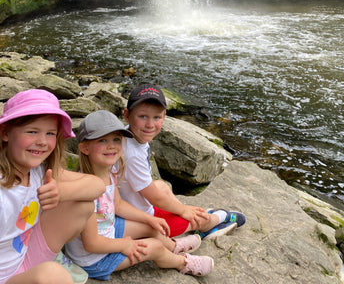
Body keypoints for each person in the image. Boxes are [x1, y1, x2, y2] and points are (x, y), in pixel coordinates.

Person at [65, 110, 214, 280]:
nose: (111, 145)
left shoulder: (109, 171)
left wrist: (148, 218)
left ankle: (173, 246)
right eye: (102, 140)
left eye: (116, 139)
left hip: (108, 230)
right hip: (94, 259)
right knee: (154, 247)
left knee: (150, 227)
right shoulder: (86, 192)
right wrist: (125, 244)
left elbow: (118, 205)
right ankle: (181, 262)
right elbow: (91, 243)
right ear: (84, 147)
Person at [0, 89, 105, 284]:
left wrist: (61, 192)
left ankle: (48, 261)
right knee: (53, 275)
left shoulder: (38, 171)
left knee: (82, 204)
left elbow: (97, 185)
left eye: (50, 133)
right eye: (32, 131)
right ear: (5, 133)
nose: (41, 142)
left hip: (23, 256)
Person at [118, 84, 246, 239]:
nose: (150, 124)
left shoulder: (130, 134)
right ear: (127, 115)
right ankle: (216, 219)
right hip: (136, 219)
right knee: (190, 219)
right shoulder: (131, 153)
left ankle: (190, 214)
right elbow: (154, 197)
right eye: (143, 116)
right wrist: (184, 211)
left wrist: (181, 208)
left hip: (135, 204)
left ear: (164, 116)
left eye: (156, 117)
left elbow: (151, 191)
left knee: (163, 187)